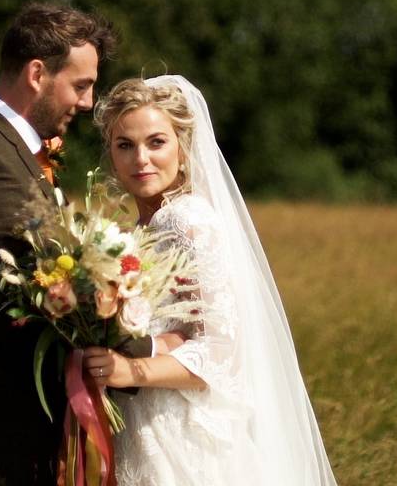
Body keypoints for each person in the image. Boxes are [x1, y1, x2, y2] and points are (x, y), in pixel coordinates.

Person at [0, 3, 153, 486]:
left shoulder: (10, 149)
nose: (87, 102)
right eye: (80, 85)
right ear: (38, 73)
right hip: (9, 430)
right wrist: (156, 353)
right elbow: (32, 298)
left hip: (30, 427)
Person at [84, 75, 337, 485]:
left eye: (156, 142)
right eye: (125, 146)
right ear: (111, 156)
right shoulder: (138, 230)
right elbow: (174, 329)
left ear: (183, 151)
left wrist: (130, 372)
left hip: (179, 433)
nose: (141, 159)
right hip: (140, 421)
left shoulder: (186, 221)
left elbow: (221, 353)